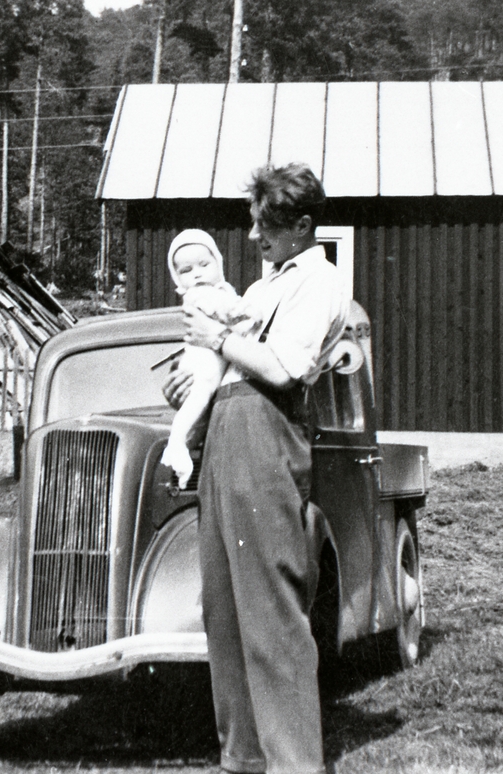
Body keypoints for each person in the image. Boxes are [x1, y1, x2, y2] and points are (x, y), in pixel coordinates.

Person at [164, 162, 350, 774]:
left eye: (265, 227)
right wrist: (191, 384)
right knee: (223, 610)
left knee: (270, 609)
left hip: (266, 431)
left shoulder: (319, 281)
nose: (252, 238)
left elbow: (280, 369)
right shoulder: (265, 286)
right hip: (225, 428)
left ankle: (295, 763)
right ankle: (243, 759)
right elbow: (233, 362)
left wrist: (216, 341)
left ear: (301, 225)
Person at [160, 229, 261, 484]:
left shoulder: (223, 290)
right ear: (178, 280)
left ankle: (180, 443)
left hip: (214, 362)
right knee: (199, 395)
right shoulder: (199, 295)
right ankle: (177, 444)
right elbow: (224, 312)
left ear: (219, 263)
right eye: (186, 270)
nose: (197, 273)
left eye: (204, 264)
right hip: (202, 362)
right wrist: (247, 312)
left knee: (200, 402)